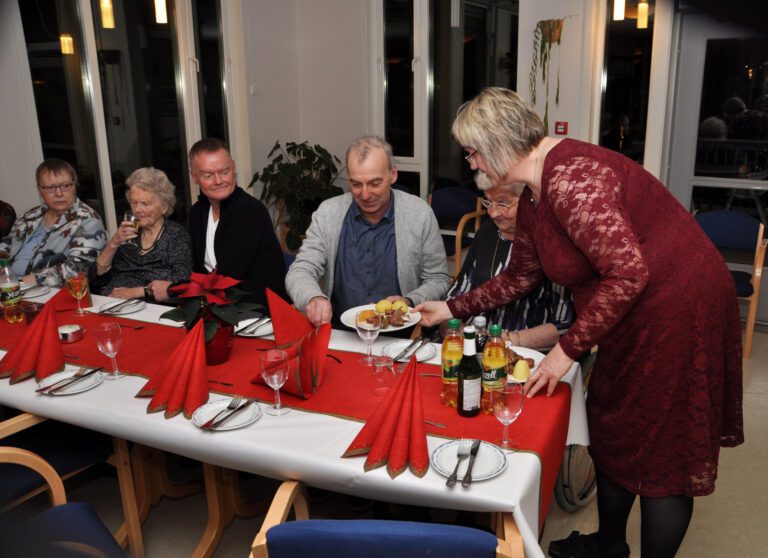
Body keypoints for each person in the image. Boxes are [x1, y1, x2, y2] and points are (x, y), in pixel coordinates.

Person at [416, 88, 743, 558]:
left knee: (662, 453)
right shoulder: (531, 197)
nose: (470, 163)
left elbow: (628, 272)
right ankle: (610, 545)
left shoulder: (572, 179)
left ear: (497, 142)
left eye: (472, 151)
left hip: (678, 310)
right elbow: (521, 276)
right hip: (628, 309)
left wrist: (565, 350)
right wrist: (449, 308)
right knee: (612, 423)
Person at [286, 135, 451, 327]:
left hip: (401, 336)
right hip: (340, 335)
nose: (365, 194)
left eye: (374, 183)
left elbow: (438, 279)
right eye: (356, 184)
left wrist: (409, 301)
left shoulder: (419, 214)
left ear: (393, 175)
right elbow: (300, 270)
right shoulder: (328, 214)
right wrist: (313, 298)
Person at [445, 177, 574, 350]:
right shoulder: (487, 232)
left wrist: (510, 340)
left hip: (526, 350)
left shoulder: (552, 243)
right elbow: (457, 294)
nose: (492, 213)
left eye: (503, 204)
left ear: (530, 201)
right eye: (488, 203)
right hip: (474, 340)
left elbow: (565, 324)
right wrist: (459, 330)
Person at [164, 138, 287, 308]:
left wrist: (172, 289)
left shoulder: (250, 211)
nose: (218, 181)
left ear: (234, 168)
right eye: (208, 175)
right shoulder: (197, 212)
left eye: (224, 171)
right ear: (194, 176)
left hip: (258, 311)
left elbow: (227, 277)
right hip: (215, 306)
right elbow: (198, 270)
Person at [89, 167, 191, 300]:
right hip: (110, 301)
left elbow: (180, 281)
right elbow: (97, 279)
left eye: (145, 204)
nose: (137, 210)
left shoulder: (175, 235)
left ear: (164, 207)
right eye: (134, 202)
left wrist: (136, 292)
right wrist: (113, 243)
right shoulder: (129, 232)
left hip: (148, 307)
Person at [0, 159, 106, 286]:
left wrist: (30, 281)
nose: (59, 193)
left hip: (49, 293)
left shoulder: (89, 220)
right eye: (50, 188)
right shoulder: (28, 217)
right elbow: (5, 247)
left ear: (74, 186)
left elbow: (81, 268)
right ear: (40, 190)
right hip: (9, 287)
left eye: (65, 186)